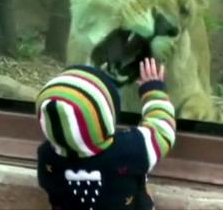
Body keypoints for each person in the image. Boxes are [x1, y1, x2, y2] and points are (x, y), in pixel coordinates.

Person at [35, 58, 176, 210]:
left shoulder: (47, 156)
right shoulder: (130, 149)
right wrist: (153, 91)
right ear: (108, 115)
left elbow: (48, 185)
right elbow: (163, 129)